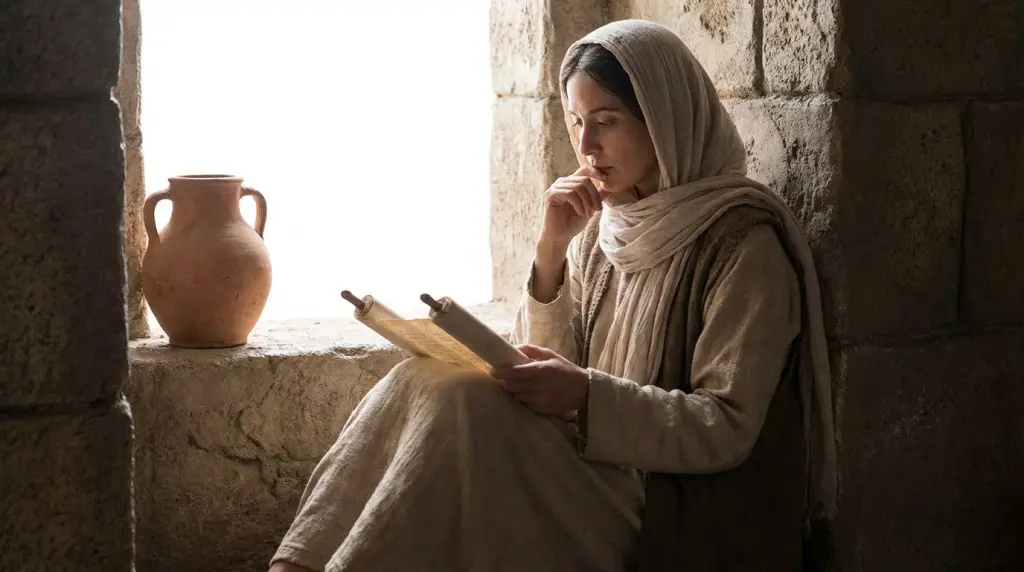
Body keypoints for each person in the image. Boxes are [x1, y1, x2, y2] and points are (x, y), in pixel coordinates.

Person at [269, 19, 837, 572]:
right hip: (592, 468)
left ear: (664, 120)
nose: (586, 145)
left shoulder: (741, 244)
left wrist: (588, 396)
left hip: (669, 506)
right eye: (575, 122)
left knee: (462, 407)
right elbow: (544, 366)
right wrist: (550, 253)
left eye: (606, 121)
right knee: (418, 379)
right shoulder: (603, 228)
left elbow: (726, 426)